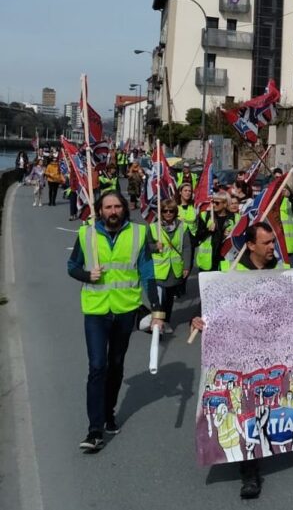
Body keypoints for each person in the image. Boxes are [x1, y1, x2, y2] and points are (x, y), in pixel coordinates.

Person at [191, 222, 293, 499]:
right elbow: (208, 306)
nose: (273, 247)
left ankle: (259, 450)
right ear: (251, 246)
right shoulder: (230, 272)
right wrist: (196, 319)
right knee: (247, 409)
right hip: (238, 354)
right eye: (267, 243)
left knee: (264, 407)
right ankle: (250, 472)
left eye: (273, 242)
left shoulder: (281, 271)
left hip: (270, 353)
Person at [67, 191, 162, 452]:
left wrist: (156, 308)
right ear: (100, 210)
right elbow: (71, 266)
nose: (113, 211)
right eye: (108, 207)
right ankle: (94, 429)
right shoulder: (87, 234)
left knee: (116, 364)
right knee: (97, 365)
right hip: (96, 310)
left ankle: (109, 413)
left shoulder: (139, 234)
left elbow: (147, 272)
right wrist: (87, 275)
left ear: (124, 209)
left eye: (117, 206)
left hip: (125, 309)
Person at [149, 198, 192, 333]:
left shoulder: (182, 227)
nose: (168, 213)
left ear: (175, 212)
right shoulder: (153, 227)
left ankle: (166, 321)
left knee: (169, 299)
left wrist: (186, 266)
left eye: (171, 211)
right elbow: (146, 247)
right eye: (165, 211)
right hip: (159, 269)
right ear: (161, 212)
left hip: (174, 269)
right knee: (159, 298)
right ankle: (157, 324)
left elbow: (186, 247)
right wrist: (155, 247)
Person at [194, 191, 237, 272]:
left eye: (216, 203)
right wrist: (208, 230)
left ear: (225, 204)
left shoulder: (235, 218)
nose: (213, 205)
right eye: (212, 202)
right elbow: (196, 238)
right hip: (207, 261)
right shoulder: (205, 215)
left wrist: (230, 235)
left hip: (225, 261)